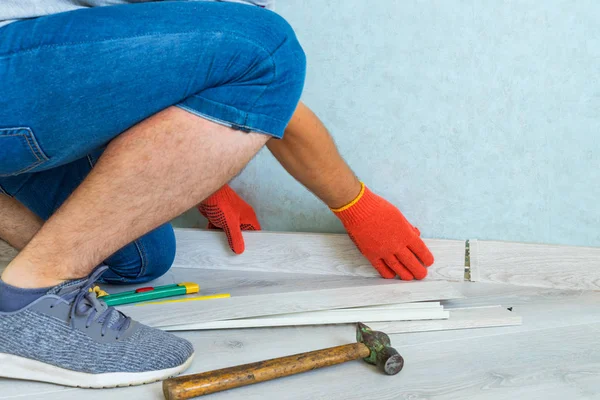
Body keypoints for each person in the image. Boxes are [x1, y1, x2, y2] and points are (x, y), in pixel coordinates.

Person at [0, 0, 434, 388]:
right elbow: (260, 76)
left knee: (138, 258)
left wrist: (195, 178)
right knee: (266, 49)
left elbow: (153, 60)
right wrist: (356, 204)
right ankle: (25, 300)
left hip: (35, 103)